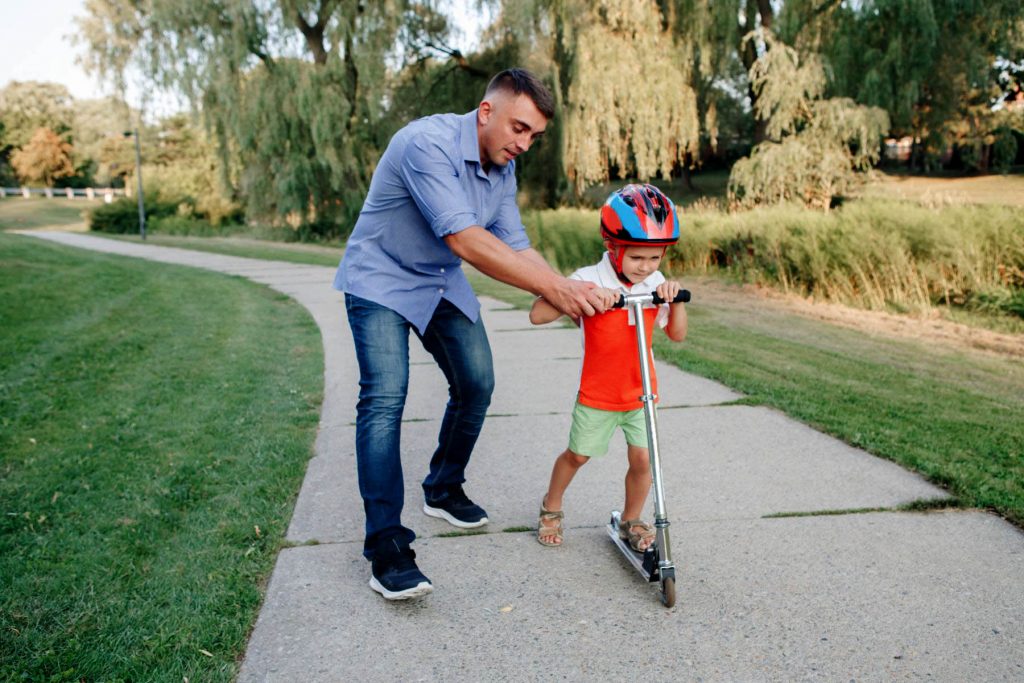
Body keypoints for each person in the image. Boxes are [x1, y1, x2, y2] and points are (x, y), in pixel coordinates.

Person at [333, 68, 608, 600]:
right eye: (519, 128)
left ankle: (442, 485)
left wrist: (564, 291)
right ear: (487, 111)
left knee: (477, 382)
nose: (524, 144)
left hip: (438, 281)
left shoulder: (501, 169)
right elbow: (466, 240)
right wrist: (559, 289)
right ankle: (387, 546)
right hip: (381, 279)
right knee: (385, 400)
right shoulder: (424, 144)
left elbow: (514, 243)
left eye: (534, 136)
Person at [528, 184, 688, 551]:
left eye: (655, 258)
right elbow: (537, 315)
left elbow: (677, 335)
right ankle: (551, 505)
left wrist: (676, 299)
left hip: (641, 391)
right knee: (578, 455)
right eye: (637, 258)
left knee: (644, 459)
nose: (646, 267)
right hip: (598, 393)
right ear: (612, 248)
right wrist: (581, 294)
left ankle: (632, 519)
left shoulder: (656, 283)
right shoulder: (589, 277)